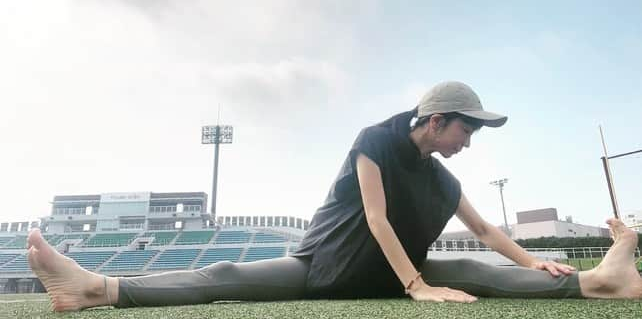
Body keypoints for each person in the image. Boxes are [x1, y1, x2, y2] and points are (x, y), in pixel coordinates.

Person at [28, 81, 642, 311]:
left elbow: (484, 231)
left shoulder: (445, 179)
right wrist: (418, 287)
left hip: (398, 271)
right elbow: (375, 217)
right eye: (466, 129)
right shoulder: (374, 141)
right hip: (324, 268)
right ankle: (95, 288)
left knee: (481, 269)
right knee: (222, 270)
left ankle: (604, 281)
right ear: (434, 121)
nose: (469, 142)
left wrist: (535, 261)